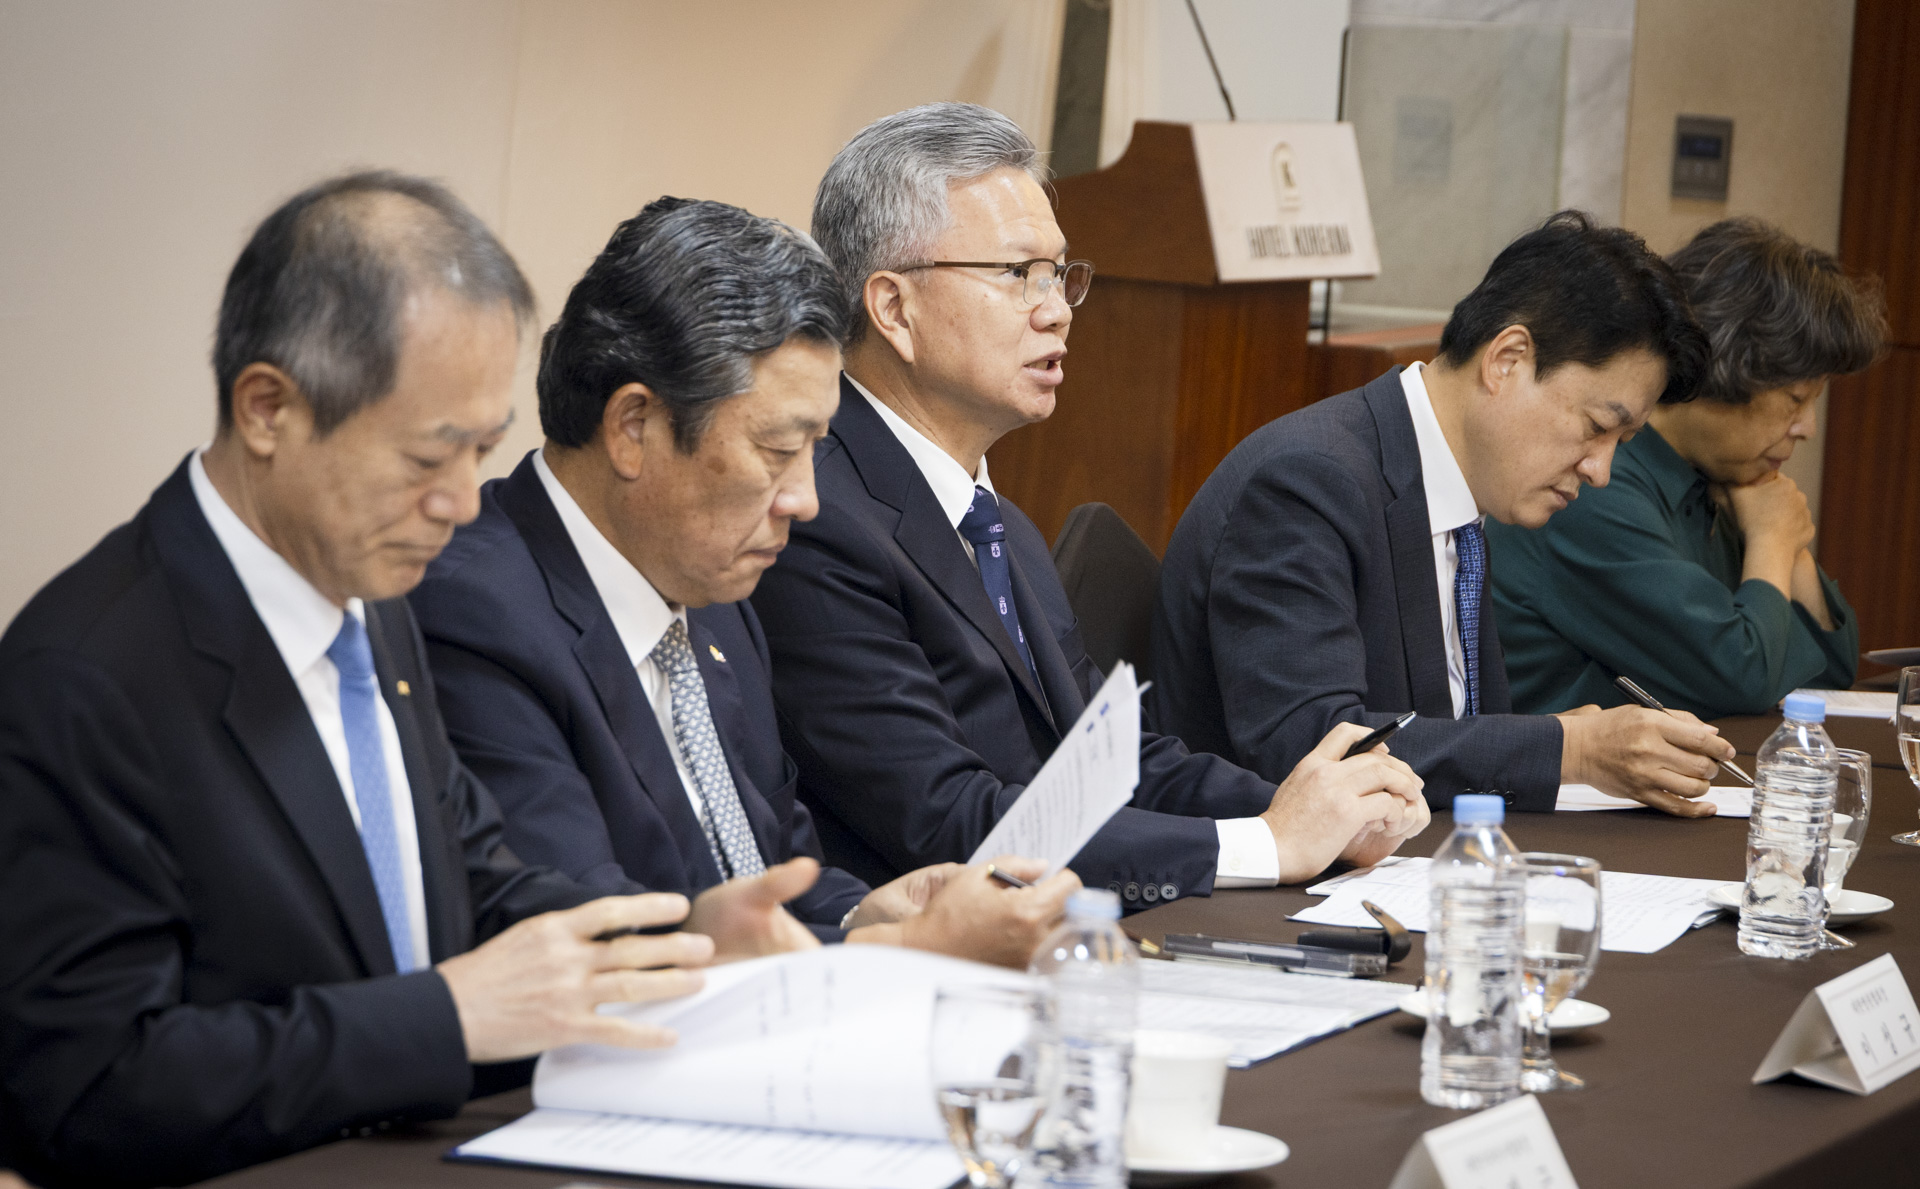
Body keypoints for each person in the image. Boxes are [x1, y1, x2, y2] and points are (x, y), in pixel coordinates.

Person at [0, 173, 820, 1187]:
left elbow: (479, 876)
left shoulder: (370, 603)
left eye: (481, 451)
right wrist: (448, 1014)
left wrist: (675, 941)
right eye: (430, 456)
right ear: (269, 409)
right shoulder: (87, 673)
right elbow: (88, 1088)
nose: (465, 504)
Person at [749, 103, 1428, 914]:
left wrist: (1320, 805)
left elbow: (1111, 760)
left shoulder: (996, 520)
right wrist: (1268, 844)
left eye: (1061, 274)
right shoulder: (816, 516)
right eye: (1016, 274)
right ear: (894, 307)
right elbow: (949, 820)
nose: (1057, 308)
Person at [409, 196, 1076, 966]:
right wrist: (899, 953)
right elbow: (597, 940)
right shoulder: (475, 615)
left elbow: (765, 868)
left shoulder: (714, 596)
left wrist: (862, 910)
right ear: (634, 427)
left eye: (814, 449)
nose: (807, 499)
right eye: (777, 449)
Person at [1151, 211, 1741, 818]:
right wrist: (1570, 749)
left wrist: (1556, 740)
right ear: (1506, 360)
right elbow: (1313, 750)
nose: (1600, 470)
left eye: (1624, 441)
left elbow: (1438, 724)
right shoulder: (1308, 481)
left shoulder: (1459, 494)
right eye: (1596, 427)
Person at [1486, 217, 1886, 718]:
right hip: (1559, 788)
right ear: (1731, 370)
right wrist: (1773, 541)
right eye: (1795, 398)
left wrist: (1787, 542)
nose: (1806, 427)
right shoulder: (1588, 484)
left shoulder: (1721, 477)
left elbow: (1831, 671)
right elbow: (1742, 679)